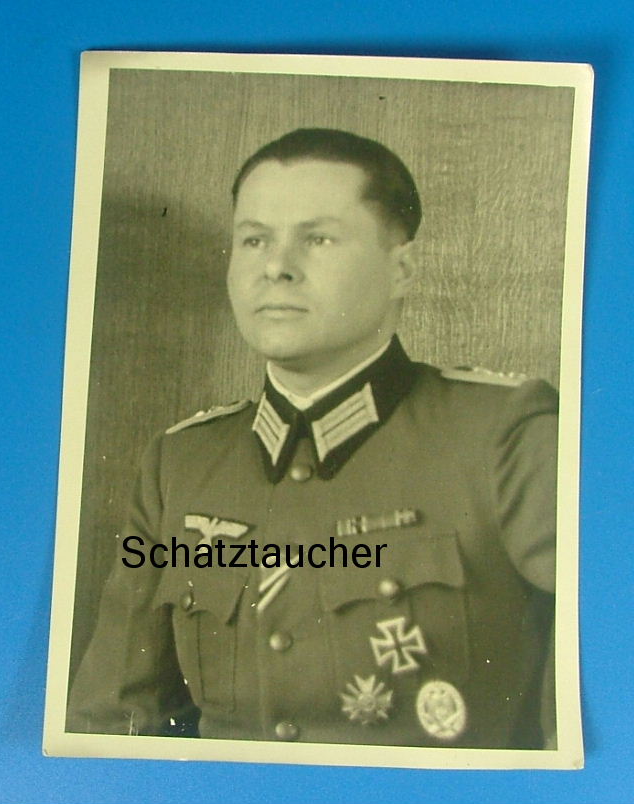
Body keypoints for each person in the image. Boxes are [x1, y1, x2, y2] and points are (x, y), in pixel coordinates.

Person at [67, 128, 557, 749]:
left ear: (401, 269)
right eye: (254, 240)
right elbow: (112, 724)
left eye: (318, 238)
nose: (276, 267)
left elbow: (591, 714)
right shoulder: (181, 462)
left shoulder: (503, 434)